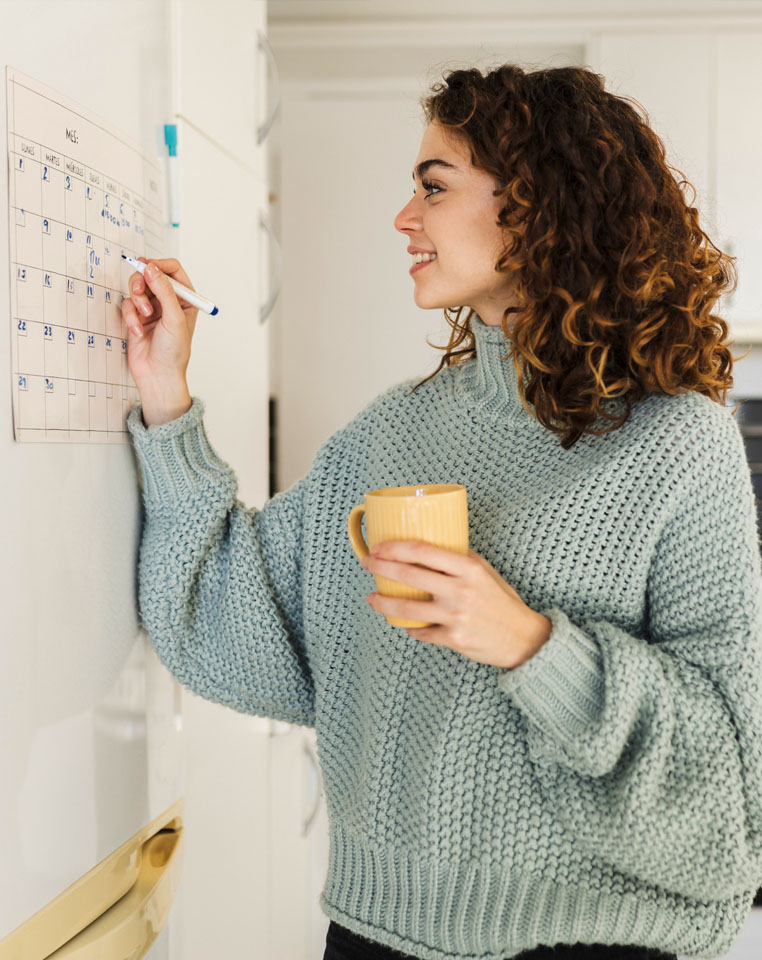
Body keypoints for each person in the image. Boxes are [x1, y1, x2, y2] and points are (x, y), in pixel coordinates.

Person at [121, 63, 762, 960]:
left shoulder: (677, 446)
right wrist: (166, 400)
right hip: (377, 938)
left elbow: (731, 801)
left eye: (433, 187)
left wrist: (531, 646)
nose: (403, 218)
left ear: (540, 202)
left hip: (597, 946)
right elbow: (225, 615)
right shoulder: (394, 432)